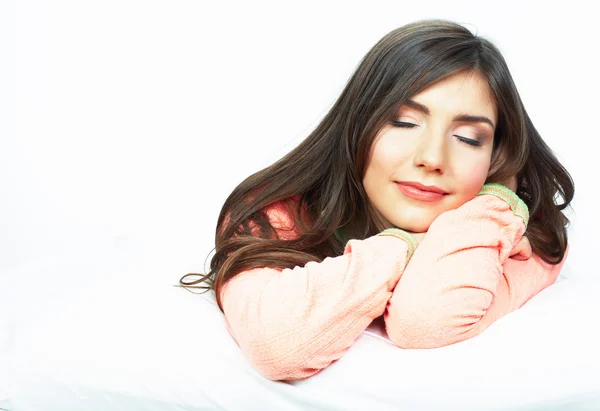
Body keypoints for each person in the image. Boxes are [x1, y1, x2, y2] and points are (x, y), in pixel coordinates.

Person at [181, 18, 574, 381]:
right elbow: (279, 345)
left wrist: (496, 200)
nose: (432, 158)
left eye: (469, 138)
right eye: (404, 122)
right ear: (358, 124)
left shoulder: (512, 232)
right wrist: (410, 247)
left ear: (497, 156)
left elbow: (425, 320)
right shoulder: (277, 213)